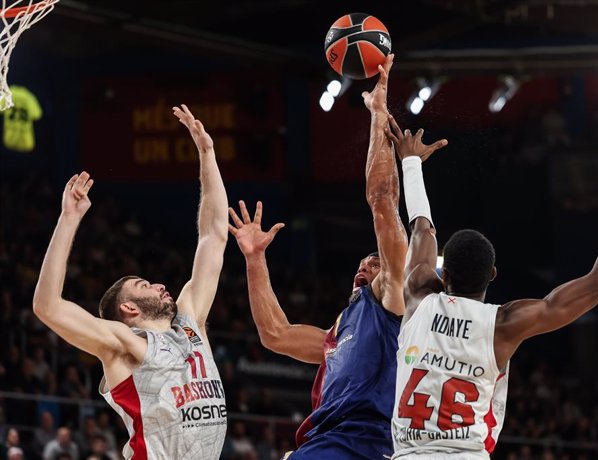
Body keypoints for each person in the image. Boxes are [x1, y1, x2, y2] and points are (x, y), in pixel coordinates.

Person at [386, 119, 598, 459]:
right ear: (492, 275)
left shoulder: (418, 292)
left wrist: (411, 162)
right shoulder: (503, 324)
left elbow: (422, 229)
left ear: (443, 275)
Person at [227, 55, 428, 459]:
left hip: (363, 444)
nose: (363, 267)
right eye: (360, 264)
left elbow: (383, 202)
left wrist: (377, 115)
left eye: (373, 263)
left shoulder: (391, 301)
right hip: (326, 443)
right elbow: (276, 334)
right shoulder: (339, 335)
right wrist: (254, 258)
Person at [32, 105, 229, 459]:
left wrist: (207, 154)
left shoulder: (190, 320)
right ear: (128, 307)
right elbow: (47, 307)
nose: (158, 285)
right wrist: (68, 219)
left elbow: (214, 236)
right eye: (143, 285)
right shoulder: (125, 342)